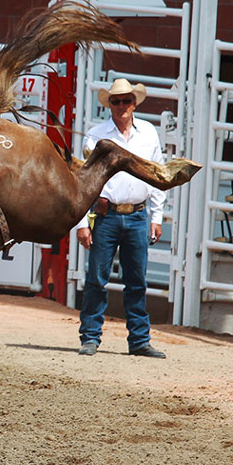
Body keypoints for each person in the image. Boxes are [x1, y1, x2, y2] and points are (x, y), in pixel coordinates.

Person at [75, 78, 167, 358]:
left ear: (134, 103)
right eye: (116, 101)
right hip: (107, 214)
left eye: (126, 101)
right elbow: (82, 180)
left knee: (136, 280)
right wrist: (82, 222)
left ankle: (138, 340)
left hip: (136, 214)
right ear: (110, 105)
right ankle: (91, 337)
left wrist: (157, 215)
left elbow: (156, 174)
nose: (121, 106)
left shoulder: (148, 133)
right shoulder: (96, 135)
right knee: (96, 279)